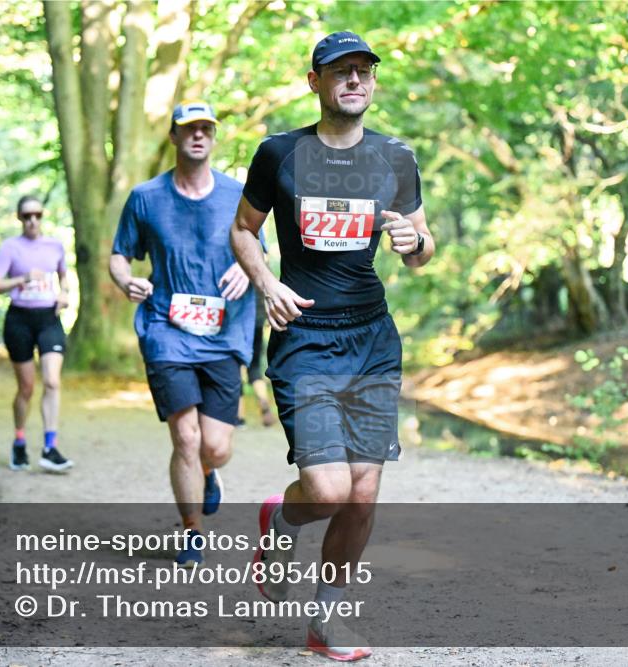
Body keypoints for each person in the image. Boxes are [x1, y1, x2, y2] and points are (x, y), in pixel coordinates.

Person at [231, 31, 434, 661]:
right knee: (327, 491)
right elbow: (243, 230)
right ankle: (280, 519)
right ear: (314, 81)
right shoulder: (279, 154)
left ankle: (327, 620)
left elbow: (423, 248)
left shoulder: (395, 158)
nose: (354, 80)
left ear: (372, 84)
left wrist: (412, 243)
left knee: (365, 492)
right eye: (340, 71)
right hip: (305, 339)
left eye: (363, 72)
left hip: (372, 336)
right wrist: (266, 282)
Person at [109, 100, 256, 566]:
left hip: (224, 331)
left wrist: (249, 272)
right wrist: (124, 279)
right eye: (188, 129)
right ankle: (192, 530)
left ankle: (210, 472)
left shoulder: (239, 194)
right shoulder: (146, 197)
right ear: (173, 137)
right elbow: (119, 255)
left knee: (215, 445)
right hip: (166, 329)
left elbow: (258, 250)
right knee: (186, 438)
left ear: (214, 138)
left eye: (206, 129)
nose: (197, 136)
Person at [0, 196, 73, 473]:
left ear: (42, 216)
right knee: (26, 388)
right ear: (19, 218)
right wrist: (22, 279)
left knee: (51, 381)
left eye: (37, 214)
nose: (32, 220)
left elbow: (64, 277)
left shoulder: (55, 246)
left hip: (49, 318)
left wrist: (64, 294)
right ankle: (19, 440)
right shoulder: (10, 248)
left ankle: (50, 447)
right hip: (19, 320)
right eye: (26, 216)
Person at [237, 291, 277, 427]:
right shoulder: (262, 270)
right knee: (254, 367)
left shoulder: (235, 270)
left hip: (239, 321)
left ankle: (239, 417)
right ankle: (263, 400)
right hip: (258, 321)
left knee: (236, 367)